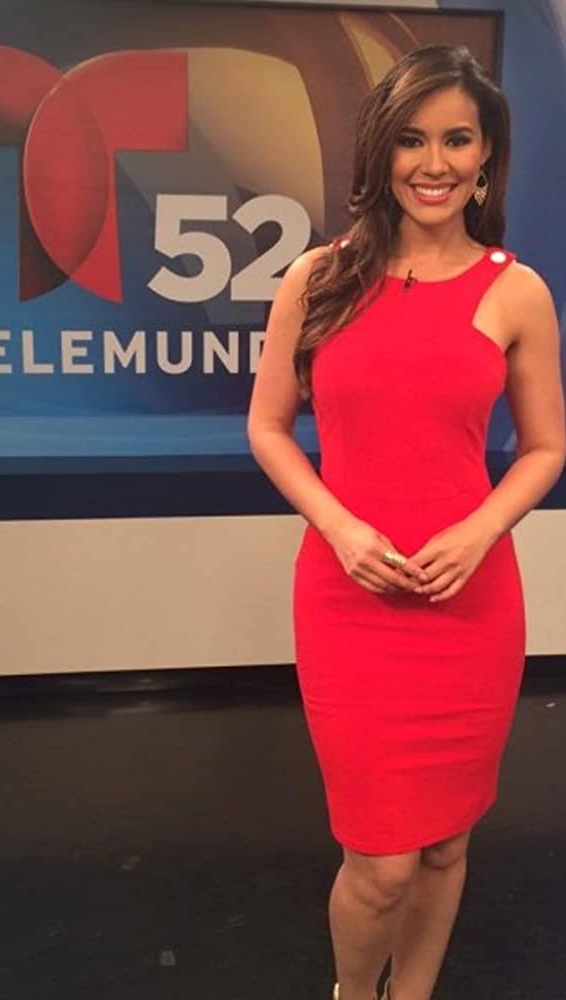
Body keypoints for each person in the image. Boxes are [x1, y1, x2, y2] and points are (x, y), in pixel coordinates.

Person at [246, 43, 565, 1000]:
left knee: (446, 846)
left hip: (470, 605)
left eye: (457, 140)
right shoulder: (317, 277)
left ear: (486, 154)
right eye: (412, 139)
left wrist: (480, 531)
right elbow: (268, 427)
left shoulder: (517, 290)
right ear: (380, 150)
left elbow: (546, 448)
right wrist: (341, 528)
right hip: (349, 601)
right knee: (381, 864)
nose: (435, 163)